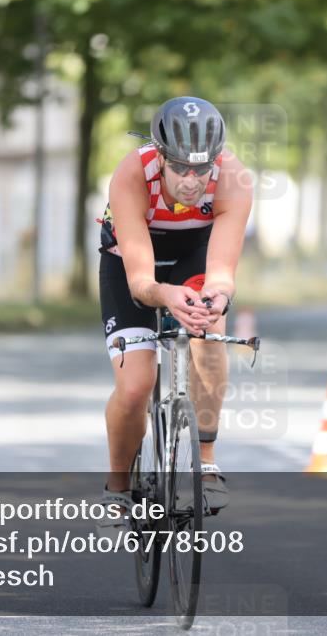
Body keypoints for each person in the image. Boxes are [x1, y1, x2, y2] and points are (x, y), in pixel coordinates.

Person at [96, 97, 252, 527]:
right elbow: (141, 283)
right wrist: (165, 296)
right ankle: (118, 487)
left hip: (193, 254)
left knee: (209, 329)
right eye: (180, 167)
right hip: (133, 262)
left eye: (201, 169)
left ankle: (205, 459)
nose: (191, 179)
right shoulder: (132, 174)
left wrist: (216, 297)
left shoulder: (233, 178)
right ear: (160, 156)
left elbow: (220, 272)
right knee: (135, 386)